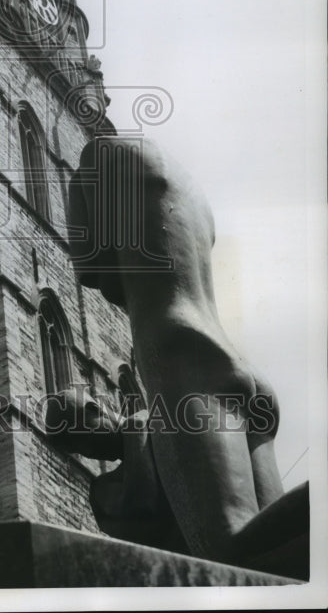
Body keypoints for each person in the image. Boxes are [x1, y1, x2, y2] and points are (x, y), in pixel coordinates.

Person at [66, 135, 307, 574]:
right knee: (275, 571)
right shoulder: (191, 190)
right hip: (235, 359)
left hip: (175, 349)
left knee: (227, 554)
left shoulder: (91, 166)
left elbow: (96, 274)